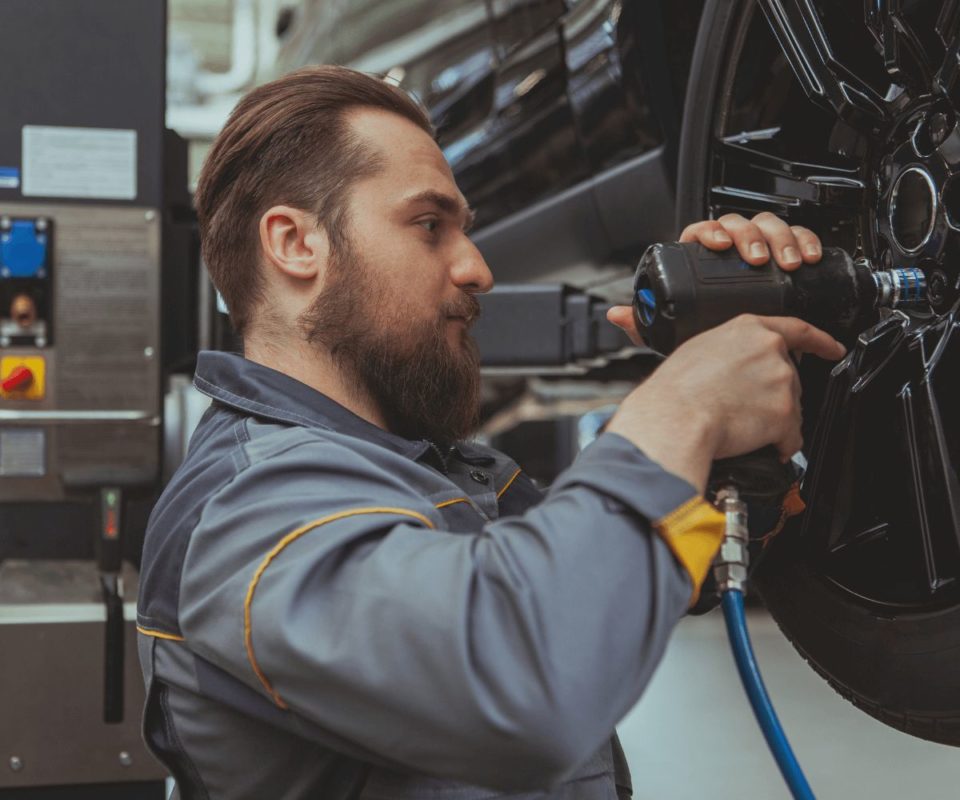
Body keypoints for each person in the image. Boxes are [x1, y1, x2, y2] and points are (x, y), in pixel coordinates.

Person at [136, 65, 845, 800]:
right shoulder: (252, 510)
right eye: (429, 225)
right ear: (295, 244)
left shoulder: (442, 470)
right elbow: (524, 687)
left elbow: (622, 581)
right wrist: (679, 408)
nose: (476, 268)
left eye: (463, 231)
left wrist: (743, 387)